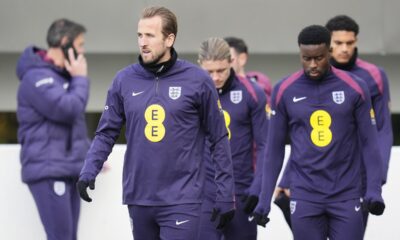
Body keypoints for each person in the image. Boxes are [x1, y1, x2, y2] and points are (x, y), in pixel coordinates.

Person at [76, 6, 235, 240]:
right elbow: (106, 132)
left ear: (169, 39)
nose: (143, 42)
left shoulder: (198, 81)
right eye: (140, 35)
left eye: (150, 35)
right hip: (139, 198)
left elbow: (218, 138)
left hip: (183, 199)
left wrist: (225, 193)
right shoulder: (123, 80)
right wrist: (89, 169)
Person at [253, 25, 385, 240]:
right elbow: (274, 149)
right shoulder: (284, 89)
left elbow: (370, 142)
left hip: (346, 194)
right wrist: (264, 198)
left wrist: (374, 189)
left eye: (319, 58)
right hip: (305, 196)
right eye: (307, 58)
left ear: (329, 52)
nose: (313, 65)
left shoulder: (356, 87)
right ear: (300, 54)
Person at [16, 19, 89, 240]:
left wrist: (91, 153)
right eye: (81, 44)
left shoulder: (60, 77)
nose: (83, 51)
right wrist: (80, 78)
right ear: (66, 42)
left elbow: (71, 127)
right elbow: (66, 110)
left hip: (67, 170)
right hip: (48, 170)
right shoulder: (36, 77)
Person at [197, 38, 268, 240]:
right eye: (209, 72)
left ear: (231, 62)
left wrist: (258, 186)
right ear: (200, 64)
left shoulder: (252, 93)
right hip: (205, 193)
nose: (216, 77)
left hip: (241, 192)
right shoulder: (194, 93)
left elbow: (265, 145)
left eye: (221, 70)